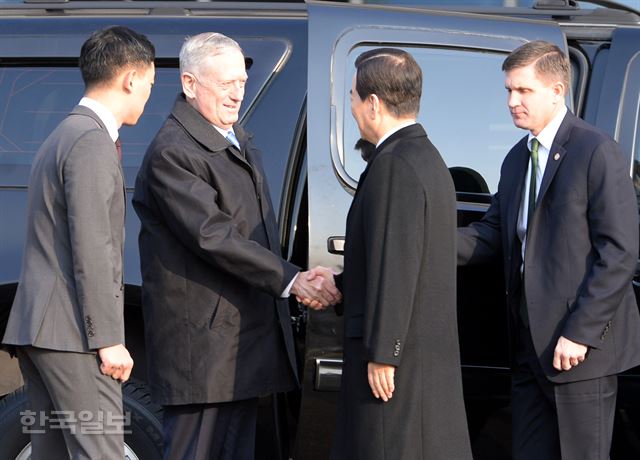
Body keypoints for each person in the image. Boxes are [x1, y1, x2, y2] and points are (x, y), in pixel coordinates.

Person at [132, 32, 340, 460]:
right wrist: (292, 279)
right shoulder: (173, 152)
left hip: (236, 343)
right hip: (204, 349)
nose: (237, 93)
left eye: (241, 82)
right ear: (190, 84)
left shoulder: (233, 136)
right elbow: (214, 236)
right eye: (225, 83)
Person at [458, 40, 640, 460]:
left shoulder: (595, 151)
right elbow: (491, 235)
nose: (511, 101)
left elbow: (619, 253)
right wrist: (422, 239)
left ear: (557, 90)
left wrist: (580, 332)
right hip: (528, 351)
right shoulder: (516, 159)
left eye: (524, 91)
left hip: (580, 353)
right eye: (508, 90)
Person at [2, 26, 155, 458]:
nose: (147, 94)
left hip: (42, 331)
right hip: (72, 337)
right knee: (100, 450)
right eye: (149, 83)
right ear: (129, 78)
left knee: (53, 452)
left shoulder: (63, 133)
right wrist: (108, 339)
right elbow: (93, 247)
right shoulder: (91, 141)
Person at [325, 47, 472, 460]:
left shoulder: (395, 163)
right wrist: (339, 285)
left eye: (353, 97)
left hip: (395, 365)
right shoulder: (425, 157)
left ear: (373, 103)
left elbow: (397, 264)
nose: (351, 107)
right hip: (415, 358)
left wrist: (383, 353)